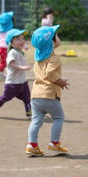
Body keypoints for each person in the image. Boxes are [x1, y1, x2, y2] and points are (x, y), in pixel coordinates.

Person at [26, 25, 69, 157]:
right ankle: (54, 143)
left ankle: (32, 145)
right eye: (56, 35)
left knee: (36, 120)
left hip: (35, 95)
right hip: (49, 95)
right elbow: (50, 72)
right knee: (59, 117)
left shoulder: (38, 58)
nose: (58, 37)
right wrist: (60, 81)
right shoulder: (54, 58)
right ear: (52, 42)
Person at [0, 29, 32, 119]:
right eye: (18, 39)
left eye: (22, 38)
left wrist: (24, 46)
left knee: (27, 98)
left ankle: (30, 113)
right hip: (12, 84)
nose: (22, 41)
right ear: (11, 43)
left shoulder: (21, 51)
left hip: (22, 82)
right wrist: (22, 67)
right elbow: (11, 64)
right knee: (5, 98)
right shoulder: (12, 52)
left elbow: (24, 47)